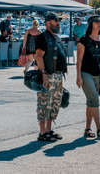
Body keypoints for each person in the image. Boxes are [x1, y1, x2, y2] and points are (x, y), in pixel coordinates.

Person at [34, 13, 67, 142]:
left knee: (54, 104)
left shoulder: (56, 37)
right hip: (48, 75)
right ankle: (42, 132)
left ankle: (49, 130)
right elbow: (39, 56)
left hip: (58, 75)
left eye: (59, 21)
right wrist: (44, 75)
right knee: (44, 103)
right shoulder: (42, 37)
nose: (58, 23)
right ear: (48, 23)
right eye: (56, 21)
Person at [76, 16, 100, 139]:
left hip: (98, 73)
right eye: (97, 22)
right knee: (94, 99)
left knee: (91, 102)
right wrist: (78, 76)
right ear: (91, 24)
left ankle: (87, 129)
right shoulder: (84, 40)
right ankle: (99, 128)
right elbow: (79, 60)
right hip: (86, 73)